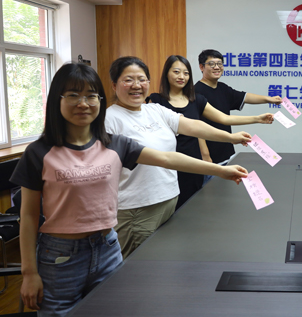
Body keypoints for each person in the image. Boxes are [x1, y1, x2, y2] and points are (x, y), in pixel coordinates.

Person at [13, 63, 248, 316]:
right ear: (56, 100)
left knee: (115, 310)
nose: (83, 103)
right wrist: (29, 273)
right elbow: (28, 216)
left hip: (108, 247)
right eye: (73, 95)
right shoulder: (39, 152)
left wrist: (221, 170)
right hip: (61, 256)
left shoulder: (114, 144)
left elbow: (167, 159)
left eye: (91, 96)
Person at [106, 56, 252, 258]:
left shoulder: (153, 110)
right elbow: (166, 159)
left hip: (168, 200)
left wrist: (230, 137)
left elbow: (192, 125)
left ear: (149, 82)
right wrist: (219, 170)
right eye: (128, 80)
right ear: (114, 85)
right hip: (138, 209)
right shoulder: (109, 119)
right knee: (141, 266)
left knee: (166, 259)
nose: (136, 85)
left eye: (141, 79)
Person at [148, 55, 273, 209]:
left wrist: (257, 119)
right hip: (166, 166)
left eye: (186, 73)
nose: (181, 77)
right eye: (176, 72)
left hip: (193, 164)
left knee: (192, 208)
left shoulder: (196, 99)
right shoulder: (155, 101)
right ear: (166, 73)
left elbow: (224, 118)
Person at [194, 49, 282, 169]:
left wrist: (269, 99)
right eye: (212, 64)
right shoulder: (196, 92)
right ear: (201, 67)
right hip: (209, 159)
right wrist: (205, 155)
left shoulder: (223, 88)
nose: (217, 67)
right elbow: (196, 127)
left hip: (227, 153)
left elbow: (244, 97)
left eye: (219, 64)